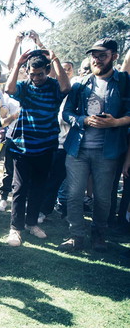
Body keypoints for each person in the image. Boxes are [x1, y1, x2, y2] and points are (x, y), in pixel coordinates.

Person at [60, 38, 130, 252]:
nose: (97, 60)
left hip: (107, 151)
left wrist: (115, 122)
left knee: (103, 196)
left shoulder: (125, 81)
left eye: (103, 55)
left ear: (114, 57)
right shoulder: (80, 84)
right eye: (94, 55)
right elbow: (67, 113)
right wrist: (83, 120)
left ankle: (99, 235)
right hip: (77, 149)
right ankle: (76, 236)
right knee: (73, 194)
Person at [4, 47, 71, 246]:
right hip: (22, 147)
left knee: (39, 188)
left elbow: (67, 88)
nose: (36, 78)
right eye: (32, 74)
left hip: (46, 146)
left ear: (47, 70)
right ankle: (15, 228)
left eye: (40, 74)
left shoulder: (53, 86)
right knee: (20, 188)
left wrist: (55, 58)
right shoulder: (25, 86)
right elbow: (9, 89)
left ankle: (31, 223)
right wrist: (17, 64)